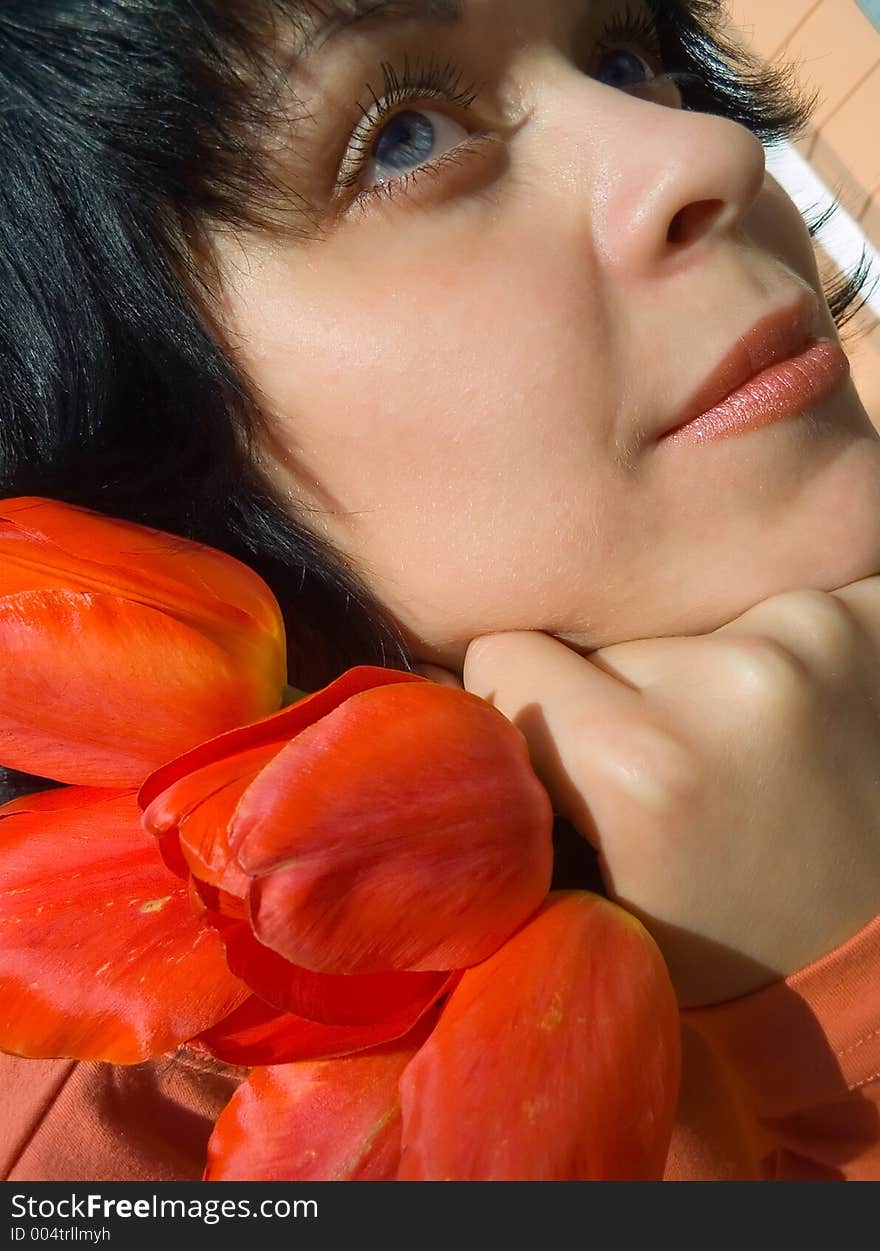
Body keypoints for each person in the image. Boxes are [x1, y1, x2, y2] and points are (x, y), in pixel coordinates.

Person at [1, 0, 878, 1181]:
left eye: (628, 56)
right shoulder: (104, 1160)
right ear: (123, 459)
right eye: (402, 135)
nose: (705, 148)